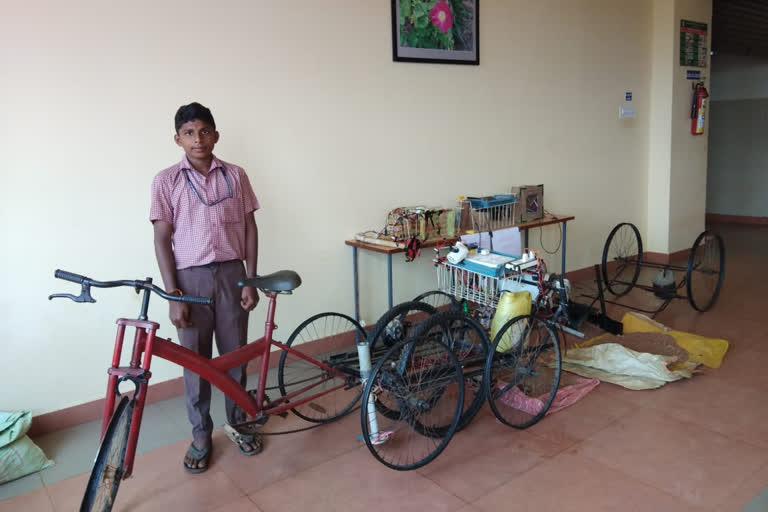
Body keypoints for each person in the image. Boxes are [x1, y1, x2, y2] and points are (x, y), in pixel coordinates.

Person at [150, 102, 261, 473]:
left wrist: (250, 277)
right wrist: (172, 295)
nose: (198, 139)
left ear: (216, 134)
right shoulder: (166, 181)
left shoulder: (236, 176)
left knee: (235, 356)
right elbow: (162, 239)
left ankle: (240, 422)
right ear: (177, 139)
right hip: (190, 282)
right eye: (189, 133)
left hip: (232, 274)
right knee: (195, 363)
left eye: (204, 131)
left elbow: (249, 228)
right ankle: (201, 436)